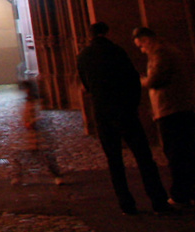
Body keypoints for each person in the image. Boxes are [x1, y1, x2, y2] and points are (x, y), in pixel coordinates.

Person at [78, 22, 170, 214]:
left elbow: (85, 85)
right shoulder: (117, 51)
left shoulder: (83, 56)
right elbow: (132, 79)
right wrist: (134, 104)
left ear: (90, 36)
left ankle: (126, 203)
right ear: (107, 33)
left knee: (114, 160)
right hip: (123, 109)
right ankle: (157, 200)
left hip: (102, 112)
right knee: (143, 156)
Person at [136, 25, 195, 206]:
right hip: (180, 107)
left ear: (147, 40)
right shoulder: (170, 51)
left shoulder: (160, 54)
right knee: (185, 151)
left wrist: (141, 80)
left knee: (176, 153)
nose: (142, 50)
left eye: (141, 46)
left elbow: (154, 80)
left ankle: (181, 194)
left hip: (170, 109)